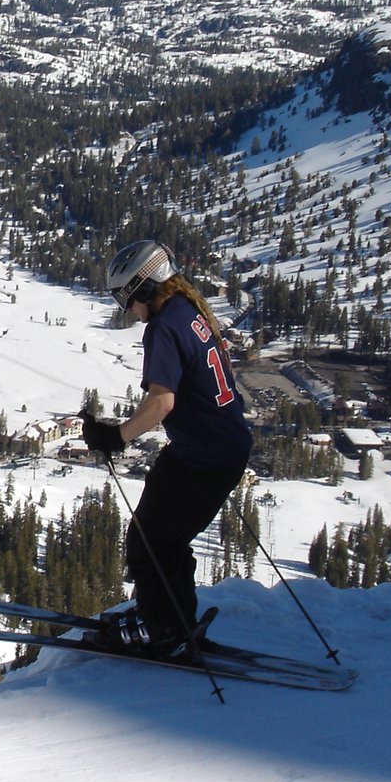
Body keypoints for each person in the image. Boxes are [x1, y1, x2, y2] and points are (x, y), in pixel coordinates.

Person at [81, 240, 253, 657]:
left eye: (127, 300)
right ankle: (168, 619)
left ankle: (165, 631)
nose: (130, 312)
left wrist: (115, 437)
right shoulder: (190, 311)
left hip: (204, 455)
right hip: (221, 446)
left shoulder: (164, 327)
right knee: (162, 539)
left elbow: (162, 402)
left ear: (142, 288)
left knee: (150, 544)